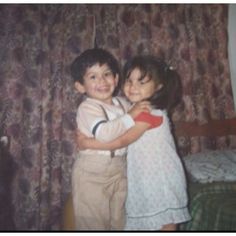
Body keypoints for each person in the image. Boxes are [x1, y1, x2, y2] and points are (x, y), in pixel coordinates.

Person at [77, 55, 191, 231]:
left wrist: (88, 143)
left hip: (160, 176)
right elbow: (121, 120)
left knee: (165, 220)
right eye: (129, 80)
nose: (132, 87)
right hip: (145, 174)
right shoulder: (133, 108)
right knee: (155, 219)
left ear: (159, 86)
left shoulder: (149, 112)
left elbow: (123, 139)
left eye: (141, 82)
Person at [70, 48, 154, 230]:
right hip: (92, 171)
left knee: (119, 221)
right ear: (80, 86)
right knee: (93, 222)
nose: (101, 81)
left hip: (120, 168)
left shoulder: (123, 104)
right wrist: (130, 116)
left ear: (116, 79)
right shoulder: (88, 107)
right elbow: (105, 133)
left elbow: (135, 131)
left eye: (107, 74)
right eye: (92, 77)